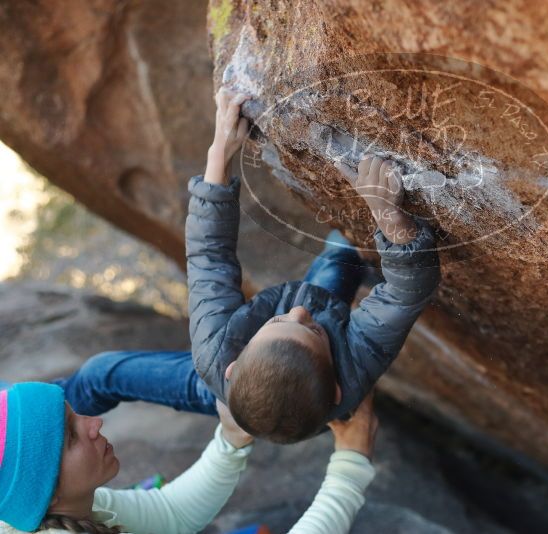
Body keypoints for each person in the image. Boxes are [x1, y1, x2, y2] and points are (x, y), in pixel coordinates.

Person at [56, 86, 441, 445]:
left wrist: (219, 153)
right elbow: (408, 292)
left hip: (225, 386)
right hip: (301, 389)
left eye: (279, 323)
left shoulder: (215, 348)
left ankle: (37, 424)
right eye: (313, 331)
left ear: (233, 364)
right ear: (337, 389)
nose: (300, 310)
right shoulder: (352, 366)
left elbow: (209, 258)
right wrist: (386, 213)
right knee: (340, 256)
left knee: (101, 372)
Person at [0, 382, 378, 533]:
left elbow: (170, 514)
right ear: (45, 494)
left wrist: (230, 440)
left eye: (73, 414)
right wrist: (350, 463)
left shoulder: (65, 510)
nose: (95, 423)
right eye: (70, 436)